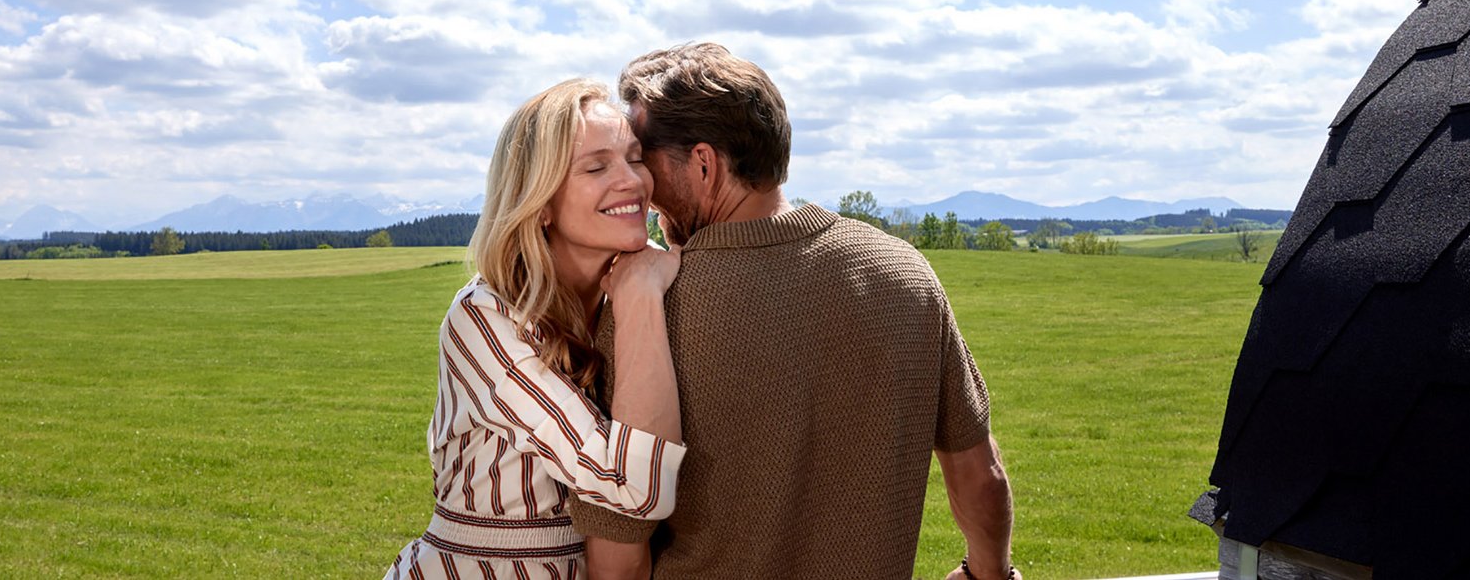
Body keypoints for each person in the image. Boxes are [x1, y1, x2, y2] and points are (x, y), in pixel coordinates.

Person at [570, 43, 1018, 580]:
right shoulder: (904, 272)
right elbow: (980, 472)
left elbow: (618, 554)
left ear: (704, 164)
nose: (640, 186)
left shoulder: (645, 310)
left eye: (643, 160)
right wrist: (986, 574)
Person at [385, 78, 688, 579]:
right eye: (596, 166)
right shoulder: (485, 319)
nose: (633, 182)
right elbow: (635, 489)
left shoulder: (630, 292)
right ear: (539, 203)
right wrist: (640, 298)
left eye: (635, 159)